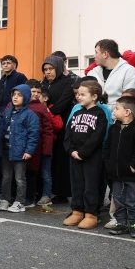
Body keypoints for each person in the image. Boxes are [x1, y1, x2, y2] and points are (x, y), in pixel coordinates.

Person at [63, 80, 109, 229]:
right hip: (75, 156)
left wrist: (83, 152)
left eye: (83, 94)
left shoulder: (100, 113)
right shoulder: (76, 112)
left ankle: (91, 214)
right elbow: (68, 133)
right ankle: (77, 211)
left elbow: (98, 136)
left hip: (91, 157)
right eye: (77, 94)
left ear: (94, 96)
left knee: (91, 185)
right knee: (76, 184)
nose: (79, 97)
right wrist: (71, 150)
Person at [103, 96, 135, 239]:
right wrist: (108, 164)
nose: (114, 111)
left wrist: (133, 166)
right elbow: (107, 147)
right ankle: (121, 223)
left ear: (127, 112)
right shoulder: (114, 128)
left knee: (133, 201)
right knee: (118, 199)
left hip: (132, 174)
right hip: (116, 174)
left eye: (117, 108)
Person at [0, 85, 39, 213]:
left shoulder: (30, 115)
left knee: (20, 178)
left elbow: (33, 134)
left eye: (19, 95)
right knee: (6, 176)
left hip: (20, 151)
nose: (15, 97)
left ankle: (19, 202)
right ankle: (5, 199)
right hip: (6, 150)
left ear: (26, 97)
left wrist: (29, 151)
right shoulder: (7, 112)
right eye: (14, 94)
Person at [41, 55, 75, 203]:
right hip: (47, 126)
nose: (48, 72)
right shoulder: (44, 83)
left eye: (51, 69)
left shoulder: (68, 82)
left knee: (61, 160)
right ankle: (48, 190)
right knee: (48, 158)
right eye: (45, 69)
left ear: (59, 68)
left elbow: (64, 102)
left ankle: (62, 193)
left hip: (62, 125)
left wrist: (49, 112)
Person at [25, 80, 54, 207]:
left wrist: (47, 147)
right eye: (33, 91)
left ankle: (45, 195)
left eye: (38, 92)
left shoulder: (42, 107)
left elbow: (48, 129)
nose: (36, 94)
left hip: (41, 145)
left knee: (44, 172)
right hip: (25, 146)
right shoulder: (20, 104)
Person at [88, 39, 135, 107]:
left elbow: (129, 101)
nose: (94, 56)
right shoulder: (92, 73)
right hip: (95, 116)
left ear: (105, 54)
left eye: (96, 52)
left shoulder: (128, 71)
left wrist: (111, 116)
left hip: (118, 117)